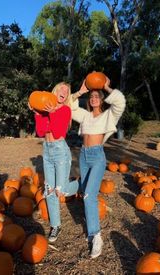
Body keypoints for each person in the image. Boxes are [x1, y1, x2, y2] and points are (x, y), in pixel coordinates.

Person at [66, 76, 126, 258]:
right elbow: (69, 107)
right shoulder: (84, 115)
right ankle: (62, 188)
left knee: (89, 195)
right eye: (91, 97)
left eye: (96, 97)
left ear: (101, 100)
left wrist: (107, 87)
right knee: (85, 190)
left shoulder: (108, 115)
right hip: (83, 155)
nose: (93, 99)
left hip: (98, 157)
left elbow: (120, 103)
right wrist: (81, 91)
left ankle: (96, 235)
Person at [28, 82, 72, 243]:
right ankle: (56, 226)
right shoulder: (44, 109)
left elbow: (59, 131)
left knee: (61, 190)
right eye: (61, 89)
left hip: (61, 151)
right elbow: (40, 132)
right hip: (47, 151)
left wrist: (53, 113)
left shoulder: (65, 110)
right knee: (50, 191)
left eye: (66, 91)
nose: (64, 92)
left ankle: (82, 185)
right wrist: (37, 114)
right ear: (54, 91)